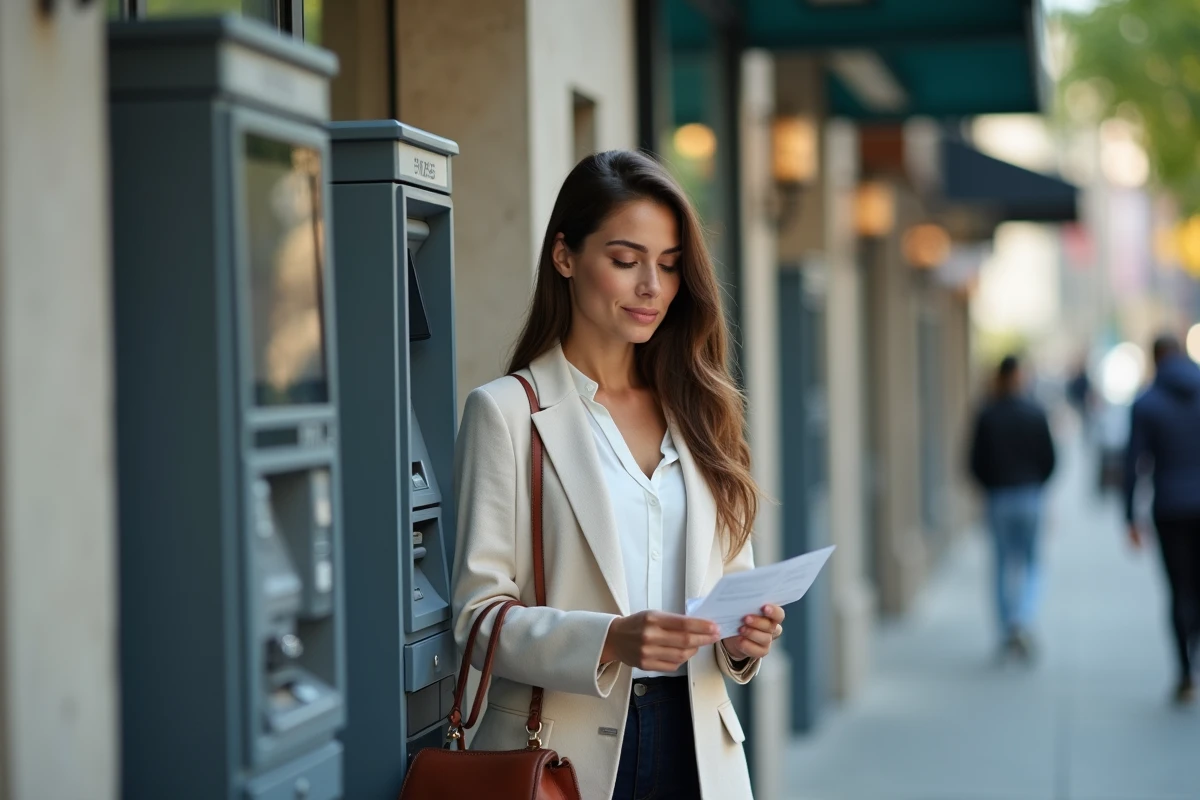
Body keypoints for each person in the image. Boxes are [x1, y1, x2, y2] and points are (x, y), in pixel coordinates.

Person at [450, 150, 781, 800]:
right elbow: (477, 617)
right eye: (626, 261)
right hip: (560, 757)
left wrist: (747, 640)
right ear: (565, 256)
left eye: (668, 265)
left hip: (700, 751)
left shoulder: (701, 411)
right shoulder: (508, 414)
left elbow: (731, 588)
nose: (651, 287)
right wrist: (610, 638)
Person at [1124, 334, 1200, 706]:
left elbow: (1133, 463)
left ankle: (1184, 671)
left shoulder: (1147, 403)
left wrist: (1129, 517)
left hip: (1169, 507)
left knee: (1179, 590)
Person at [969, 355, 1056, 662]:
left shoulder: (987, 414)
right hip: (1029, 495)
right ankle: (1023, 618)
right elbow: (1050, 460)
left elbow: (973, 462)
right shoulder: (1035, 412)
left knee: (1002, 565)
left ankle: (1008, 628)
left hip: (999, 498)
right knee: (1031, 563)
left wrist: (991, 486)